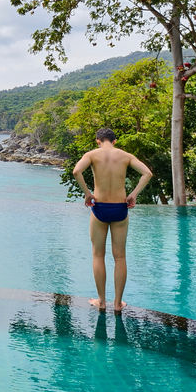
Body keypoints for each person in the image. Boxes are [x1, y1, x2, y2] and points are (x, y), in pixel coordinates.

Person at [72, 128, 152, 312]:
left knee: (98, 255)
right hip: (119, 208)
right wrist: (133, 195)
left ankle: (101, 301)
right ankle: (117, 304)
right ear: (115, 141)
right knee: (120, 256)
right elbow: (147, 173)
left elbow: (77, 171)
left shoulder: (92, 154)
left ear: (97, 140)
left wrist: (87, 194)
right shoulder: (125, 156)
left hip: (99, 208)